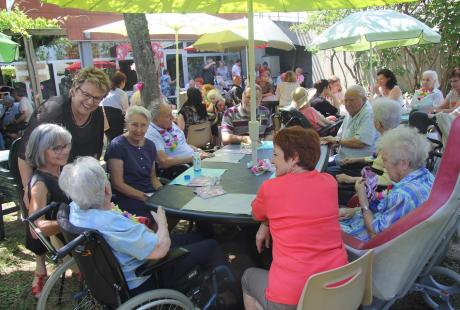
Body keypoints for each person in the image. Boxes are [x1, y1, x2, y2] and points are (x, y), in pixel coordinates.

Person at [59, 156, 228, 296]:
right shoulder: (112, 223)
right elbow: (160, 250)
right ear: (106, 189)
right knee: (212, 246)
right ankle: (225, 294)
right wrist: (162, 222)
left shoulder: (76, 209)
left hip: (119, 267)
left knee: (198, 237)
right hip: (145, 277)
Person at [242, 126, 348, 309]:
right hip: (337, 287)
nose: (272, 160)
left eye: (276, 155)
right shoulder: (329, 183)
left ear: (294, 158)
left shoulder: (271, 188)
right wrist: (267, 224)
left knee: (247, 278)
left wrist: (265, 222)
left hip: (292, 295)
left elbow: (256, 213)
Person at [18, 67, 110, 208]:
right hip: (46, 180)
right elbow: (24, 153)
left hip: (76, 180)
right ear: (74, 89)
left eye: (97, 98)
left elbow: (94, 156)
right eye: (86, 94)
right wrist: (27, 188)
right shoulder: (52, 111)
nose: (90, 102)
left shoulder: (97, 114)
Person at [339, 126, 434, 241]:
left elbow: (375, 235)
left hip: (365, 246)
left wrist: (363, 201)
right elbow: (390, 212)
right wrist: (355, 211)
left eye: (385, 160)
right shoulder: (427, 176)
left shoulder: (403, 196)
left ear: (403, 164)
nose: (383, 165)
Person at [24, 124, 72, 298]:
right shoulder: (41, 183)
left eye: (65, 145)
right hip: (65, 238)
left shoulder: (62, 173)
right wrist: (71, 224)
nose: (63, 151)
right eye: (56, 148)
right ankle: (40, 269)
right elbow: (36, 229)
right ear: (40, 150)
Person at [336, 98, 402, 204]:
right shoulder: (391, 135)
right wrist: (357, 159)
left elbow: (387, 180)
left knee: (332, 187)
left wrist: (351, 179)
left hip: (377, 187)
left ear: (378, 123)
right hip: (371, 174)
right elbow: (377, 158)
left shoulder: (391, 145)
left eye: (374, 118)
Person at [105, 106, 163, 220]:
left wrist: (163, 192)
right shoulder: (117, 146)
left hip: (149, 194)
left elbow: (153, 178)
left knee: (173, 211)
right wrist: (145, 197)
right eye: (134, 124)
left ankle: (159, 235)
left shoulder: (150, 145)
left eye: (143, 125)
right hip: (127, 198)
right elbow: (117, 184)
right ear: (126, 124)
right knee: (157, 217)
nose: (139, 130)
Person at [322, 85, 377, 176]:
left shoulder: (368, 114)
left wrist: (336, 141)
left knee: (321, 175)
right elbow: (341, 137)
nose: (347, 104)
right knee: (314, 168)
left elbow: (360, 142)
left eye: (351, 100)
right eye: (346, 100)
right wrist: (330, 142)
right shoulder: (352, 111)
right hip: (342, 159)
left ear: (363, 99)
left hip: (356, 165)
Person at [145, 100, 210, 177]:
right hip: (182, 169)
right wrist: (193, 158)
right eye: (168, 116)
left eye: (171, 114)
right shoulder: (152, 133)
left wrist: (198, 151)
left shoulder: (169, 124)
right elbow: (164, 161)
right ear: (156, 119)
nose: (173, 118)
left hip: (195, 161)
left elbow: (182, 144)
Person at [101, 71, 129, 141]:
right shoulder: (122, 93)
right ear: (122, 82)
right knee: (117, 139)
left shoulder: (106, 91)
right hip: (116, 118)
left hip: (103, 117)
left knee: (110, 139)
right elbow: (127, 110)